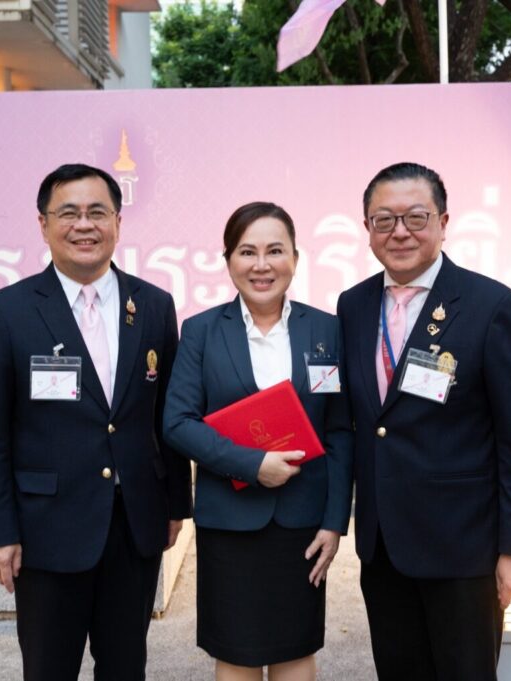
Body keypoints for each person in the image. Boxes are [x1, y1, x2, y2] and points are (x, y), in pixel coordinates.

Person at [0, 163, 193, 681]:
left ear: (117, 221)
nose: (84, 225)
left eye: (97, 212)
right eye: (68, 213)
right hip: (47, 530)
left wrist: (176, 503)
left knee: (126, 666)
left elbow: (166, 417)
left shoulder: (153, 305)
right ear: (43, 224)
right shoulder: (7, 311)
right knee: (49, 669)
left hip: (134, 525)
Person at [336, 162, 511, 680]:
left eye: (415, 217)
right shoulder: (353, 306)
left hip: (464, 550)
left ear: (444, 221)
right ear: (367, 230)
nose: (399, 231)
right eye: (384, 220)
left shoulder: (492, 306)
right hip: (384, 548)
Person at [163, 202, 353, 681]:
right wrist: (252, 465)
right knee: (237, 654)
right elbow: (178, 422)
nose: (262, 264)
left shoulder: (327, 330)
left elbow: (339, 432)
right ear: (228, 260)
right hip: (230, 521)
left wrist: (335, 521)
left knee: (296, 650)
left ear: (296, 257)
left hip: (303, 525)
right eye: (247, 251)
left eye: (275, 250)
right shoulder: (202, 331)